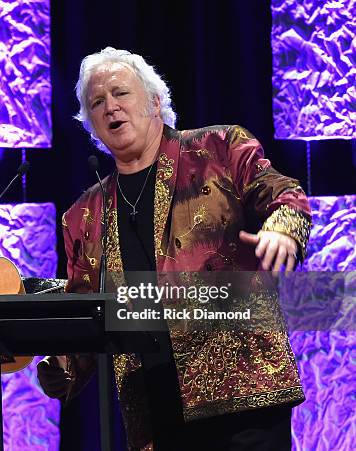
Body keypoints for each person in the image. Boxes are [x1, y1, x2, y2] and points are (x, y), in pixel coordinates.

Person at [37, 48, 311, 450]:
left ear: (154, 102)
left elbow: (285, 193)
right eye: (98, 102)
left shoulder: (218, 149)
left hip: (243, 398)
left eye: (120, 93)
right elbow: (87, 313)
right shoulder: (84, 215)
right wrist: (63, 368)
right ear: (91, 124)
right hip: (156, 412)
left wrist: (282, 230)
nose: (110, 107)